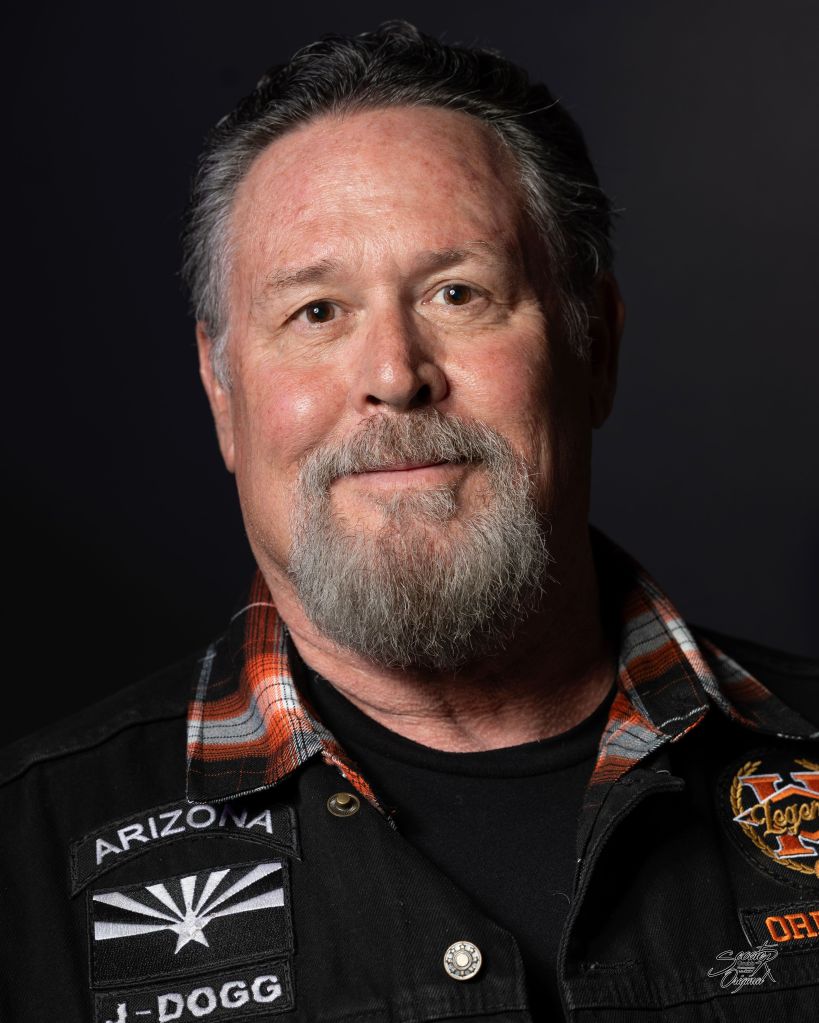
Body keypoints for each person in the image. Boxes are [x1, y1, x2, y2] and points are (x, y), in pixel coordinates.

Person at [1, 21, 816, 1023]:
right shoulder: (24, 862)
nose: (394, 375)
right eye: (316, 311)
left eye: (456, 293)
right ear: (222, 393)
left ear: (593, 348)